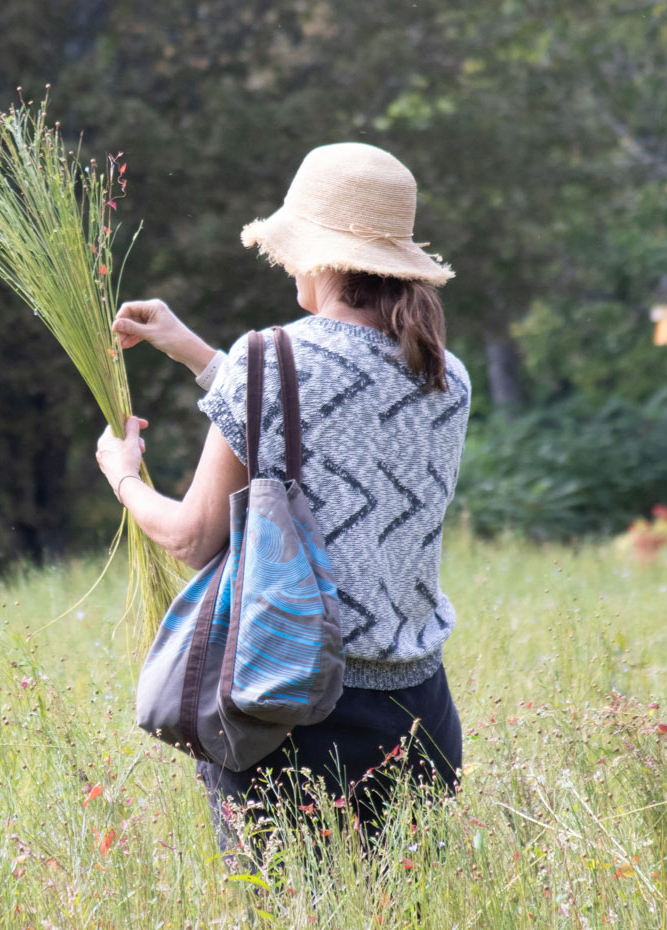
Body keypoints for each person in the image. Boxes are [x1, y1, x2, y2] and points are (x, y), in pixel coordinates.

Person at [93, 143, 469, 853]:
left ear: (320, 256)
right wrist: (196, 353)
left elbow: (190, 538)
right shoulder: (447, 375)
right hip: (422, 716)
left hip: (296, 712)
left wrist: (124, 476)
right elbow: (330, 427)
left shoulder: (271, 357)